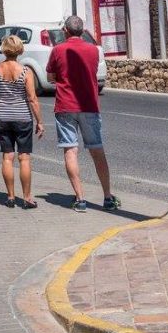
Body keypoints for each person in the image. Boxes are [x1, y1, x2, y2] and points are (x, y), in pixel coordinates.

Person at [48, 15, 119, 214]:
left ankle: (80, 199)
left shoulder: (57, 50)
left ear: (65, 31)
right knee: (97, 150)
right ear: (82, 30)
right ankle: (107, 196)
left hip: (65, 105)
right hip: (89, 105)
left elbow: (50, 76)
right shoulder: (93, 50)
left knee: (71, 151)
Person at [0, 35, 44, 209]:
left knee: (7, 157)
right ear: (19, 49)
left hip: (3, 117)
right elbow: (32, 98)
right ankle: (27, 198)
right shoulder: (26, 71)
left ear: (4, 49)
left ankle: (10, 196)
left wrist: (0, 91)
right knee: (24, 158)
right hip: (22, 118)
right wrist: (39, 121)